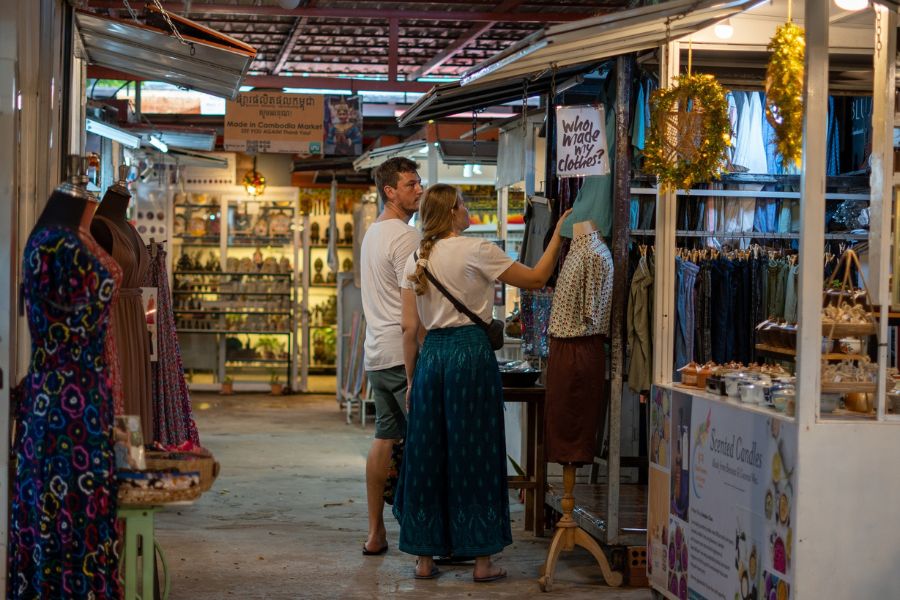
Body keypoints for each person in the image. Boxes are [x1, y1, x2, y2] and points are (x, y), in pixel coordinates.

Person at [395, 183, 571, 582]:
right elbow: (537, 277)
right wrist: (558, 234)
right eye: (463, 203)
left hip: (432, 358)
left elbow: (410, 328)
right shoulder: (478, 250)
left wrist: (411, 381)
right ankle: (481, 561)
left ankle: (424, 559)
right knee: (475, 451)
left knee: (427, 453)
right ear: (453, 211)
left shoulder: (415, 258)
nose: (467, 207)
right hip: (471, 356)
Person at [360, 156, 423, 556]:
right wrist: (417, 370)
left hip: (376, 354)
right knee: (423, 443)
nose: (419, 189)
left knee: (385, 437)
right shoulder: (405, 238)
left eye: (419, 183)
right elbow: (411, 313)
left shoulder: (373, 234)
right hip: (401, 354)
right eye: (411, 184)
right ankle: (422, 536)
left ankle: (375, 532)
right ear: (390, 191)